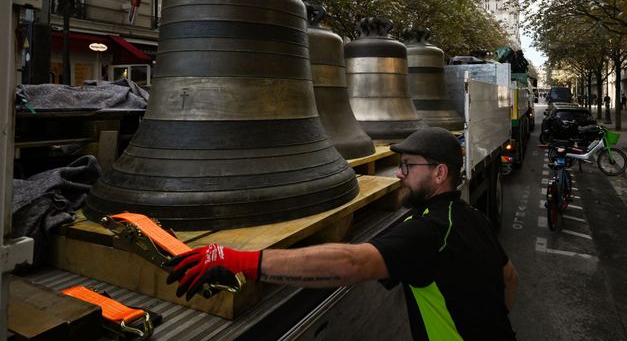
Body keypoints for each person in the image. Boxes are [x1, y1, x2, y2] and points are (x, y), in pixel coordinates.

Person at [165, 127, 519, 341]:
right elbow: (509, 277)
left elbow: (351, 263)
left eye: (408, 166)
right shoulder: (472, 217)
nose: (399, 174)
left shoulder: (427, 232)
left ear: (440, 173)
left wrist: (239, 259)